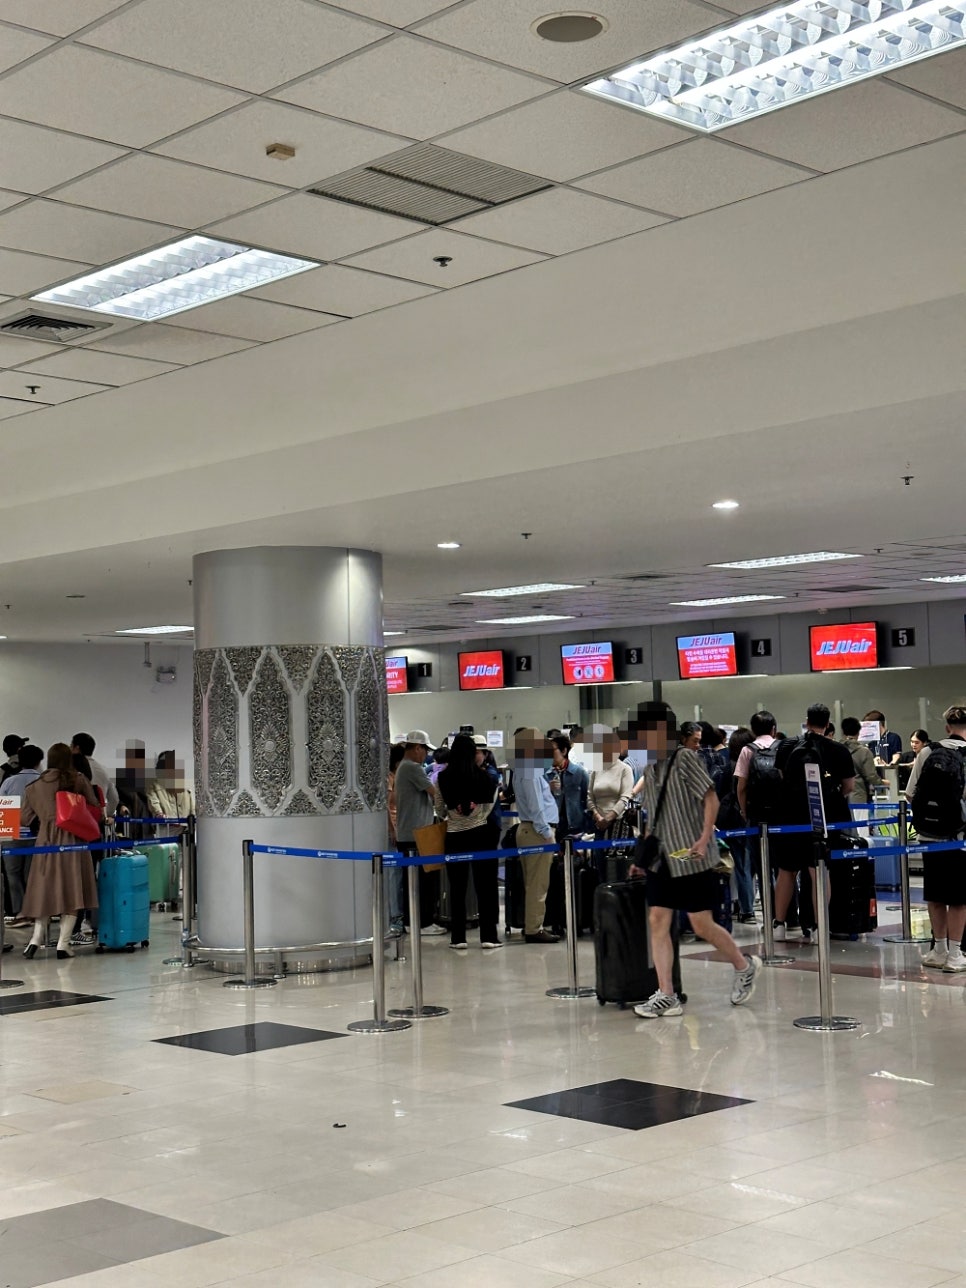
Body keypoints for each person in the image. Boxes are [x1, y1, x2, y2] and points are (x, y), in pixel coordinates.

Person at [629, 702, 760, 1017]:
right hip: (662, 857)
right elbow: (652, 815)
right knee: (658, 920)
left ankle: (744, 966)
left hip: (691, 856)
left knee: (701, 924)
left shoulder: (685, 758)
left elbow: (710, 797)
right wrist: (641, 856)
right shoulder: (652, 766)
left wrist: (704, 838)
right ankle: (666, 994)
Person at [771, 704, 856, 943]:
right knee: (819, 871)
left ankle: (778, 926)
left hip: (789, 818)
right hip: (821, 818)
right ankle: (819, 928)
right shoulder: (838, 750)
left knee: (786, 872)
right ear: (828, 725)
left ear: (806, 722)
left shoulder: (787, 746)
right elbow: (849, 787)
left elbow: (781, 777)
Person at [20, 743, 99, 959]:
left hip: (46, 842)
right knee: (73, 890)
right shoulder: (77, 779)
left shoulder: (34, 786)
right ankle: (63, 944)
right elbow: (94, 803)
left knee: (44, 889)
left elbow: (24, 818)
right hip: (73, 839)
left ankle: (35, 940)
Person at [906, 706, 966, 972]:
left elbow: (910, 794)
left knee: (935, 894)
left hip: (928, 836)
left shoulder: (928, 751)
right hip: (960, 838)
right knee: (959, 899)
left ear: (946, 727)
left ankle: (938, 950)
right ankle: (955, 954)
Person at [433, 734, 501, 950]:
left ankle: (458, 938)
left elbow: (439, 807)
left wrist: (453, 815)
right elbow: (490, 805)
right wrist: (476, 815)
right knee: (486, 887)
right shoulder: (485, 778)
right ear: (473, 753)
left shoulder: (443, 778)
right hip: (481, 834)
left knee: (457, 888)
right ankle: (488, 936)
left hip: (454, 836)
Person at [394, 731, 445, 936]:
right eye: (425, 750)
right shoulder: (413, 768)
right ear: (417, 748)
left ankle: (413, 920)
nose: (426, 755)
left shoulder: (404, 767)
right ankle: (421, 922)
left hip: (410, 833)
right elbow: (435, 793)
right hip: (417, 835)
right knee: (423, 883)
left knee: (413, 882)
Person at [511, 728, 559, 944]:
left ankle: (532, 924)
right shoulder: (529, 769)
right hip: (537, 832)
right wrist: (546, 832)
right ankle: (534, 928)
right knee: (538, 883)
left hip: (532, 830)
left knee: (534, 882)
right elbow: (535, 805)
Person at [0, 744, 43, 925]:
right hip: (38, 835)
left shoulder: (9, 782)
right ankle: (35, 911)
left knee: (13, 876)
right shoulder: (43, 781)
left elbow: (4, 811)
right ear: (39, 761)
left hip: (14, 837)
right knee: (33, 876)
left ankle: (19, 912)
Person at [719, 728, 757, 923]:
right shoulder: (756, 765)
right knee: (750, 866)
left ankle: (745, 907)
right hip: (749, 819)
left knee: (739, 866)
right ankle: (749, 907)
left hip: (730, 821)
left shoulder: (727, 766)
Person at [586, 726, 634, 879]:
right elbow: (589, 796)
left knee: (617, 870)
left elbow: (625, 797)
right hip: (599, 825)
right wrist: (597, 815)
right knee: (600, 869)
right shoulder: (595, 769)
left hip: (618, 825)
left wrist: (609, 817)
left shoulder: (625, 769)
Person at [548, 734, 590, 839]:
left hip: (575, 824)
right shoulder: (546, 774)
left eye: (552, 750)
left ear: (564, 751)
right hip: (553, 824)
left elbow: (587, 797)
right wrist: (548, 788)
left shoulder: (579, 772)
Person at [71, 733, 120, 818]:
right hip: (95, 819)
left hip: (75, 818)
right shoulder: (104, 770)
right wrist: (104, 815)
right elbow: (114, 799)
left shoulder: (71, 768)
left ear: (76, 748)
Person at [841, 717, 886, 806]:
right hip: (858, 796)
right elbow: (871, 775)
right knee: (861, 820)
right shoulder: (864, 752)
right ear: (858, 732)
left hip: (840, 796)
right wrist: (882, 782)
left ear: (843, 731)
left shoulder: (836, 749)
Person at [386, 742, 406, 937]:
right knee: (394, 874)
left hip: (398, 827)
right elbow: (386, 805)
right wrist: (392, 830)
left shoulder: (396, 777)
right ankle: (395, 917)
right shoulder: (389, 778)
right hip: (392, 830)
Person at [147, 751, 194, 832]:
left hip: (185, 826)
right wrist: (159, 814)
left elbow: (192, 804)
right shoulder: (154, 784)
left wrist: (193, 818)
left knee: (187, 844)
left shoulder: (185, 783)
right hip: (166, 827)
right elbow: (153, 802)